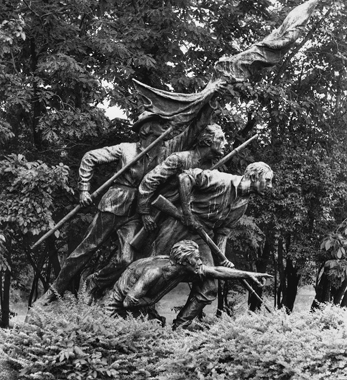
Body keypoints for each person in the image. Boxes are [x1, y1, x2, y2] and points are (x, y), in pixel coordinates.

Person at [38, 103, 214, 304]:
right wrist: (84, 189)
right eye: (160, 123)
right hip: (114, 204)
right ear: (147, 128)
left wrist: (210, 101)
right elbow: (89, 158)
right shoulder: (126, 149)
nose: (166, 126)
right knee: (86, 249)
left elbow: (195, 129)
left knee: (125, 259)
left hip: (137, 212)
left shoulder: (166, 151)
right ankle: (51, 293)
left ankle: (94, 282)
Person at [84, 123, 228, 298]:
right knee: (141, 262)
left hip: (187, 224)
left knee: (196, 271)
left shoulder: (213, 169)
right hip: (162, 218)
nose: (225, 143)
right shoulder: (179, 159)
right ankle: (108, 290)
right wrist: (144, 213)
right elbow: (148, 182)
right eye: (221, 138)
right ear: (206, 141)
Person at [152, 162, 273, 329]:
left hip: (202, 236)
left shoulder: (242, 204)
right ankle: (141, 318)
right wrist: (187, 213)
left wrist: (220, 259)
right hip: (178, 225)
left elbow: (223, 231)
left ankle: (181, 326)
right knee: (156, 274)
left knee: (209, 286)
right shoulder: (221, 180)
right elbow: (185, 177)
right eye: (267, 180)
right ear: (254, 176)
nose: (270, 185)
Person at [105, 240, 271, 322]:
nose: (200, 262)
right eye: (196, 259)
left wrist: (247, 274)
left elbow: (216, 271)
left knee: (157, 325)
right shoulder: (154, 272)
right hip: (116, 309)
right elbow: (128, 302)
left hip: (139, 307)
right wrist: (151, 301)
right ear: (184, 260)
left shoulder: (183, 269)